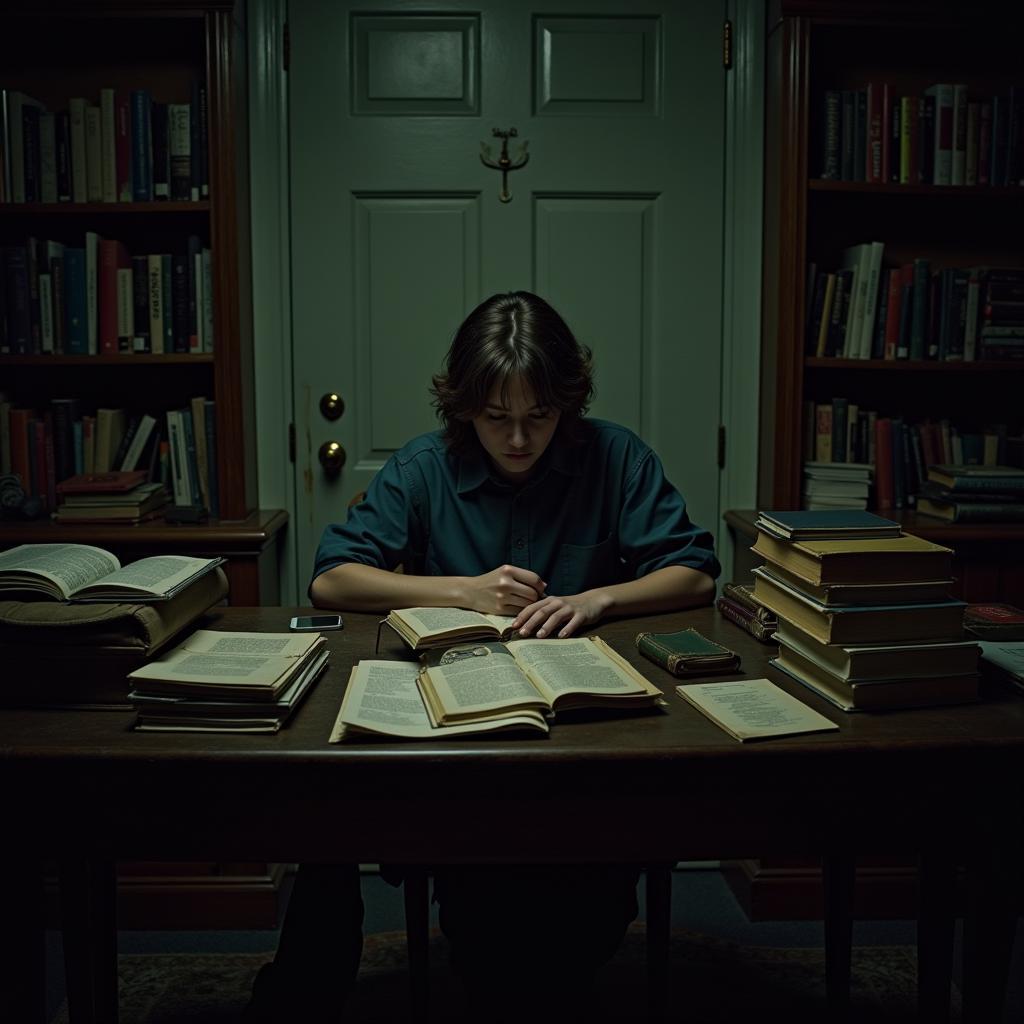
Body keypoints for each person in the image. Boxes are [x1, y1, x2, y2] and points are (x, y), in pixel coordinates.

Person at [245, 290, 720, 1021]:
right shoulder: (425, 467)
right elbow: (331, 576)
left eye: (540, 417)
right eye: (498, 418)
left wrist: (601, 599)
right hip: (459, 739)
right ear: (464, 406)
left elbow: (695, 571)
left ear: (569, 402)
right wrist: (462, 591)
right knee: (342, 807)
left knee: (573, 924)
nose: (521, 439)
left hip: (587, 735)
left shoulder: (615, 455)